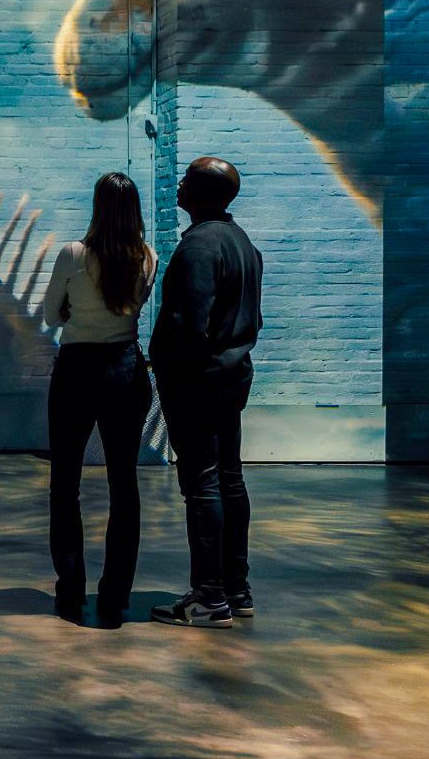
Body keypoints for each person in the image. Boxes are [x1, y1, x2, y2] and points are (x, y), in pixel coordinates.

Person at [148, 157, 263, 629]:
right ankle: (236, 589)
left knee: (202, 485)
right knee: (230, 480)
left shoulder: (198, 246)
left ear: (202, 193)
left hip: (197, 384)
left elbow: (188, 326)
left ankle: (209, 597)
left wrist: (165, 369)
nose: (179, 184)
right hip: (231, 380)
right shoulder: (242, 242)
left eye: (187, 179)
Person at [40, 171, 158, 626]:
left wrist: (73, 308)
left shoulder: (72, 254)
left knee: (65, 483)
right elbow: (131, 306)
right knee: (123, 485)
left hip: (77, 370)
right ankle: (115, 595)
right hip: (125, 368)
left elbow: (51, 315)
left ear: (97, 206)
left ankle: (71, 590)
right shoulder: (148, 256)